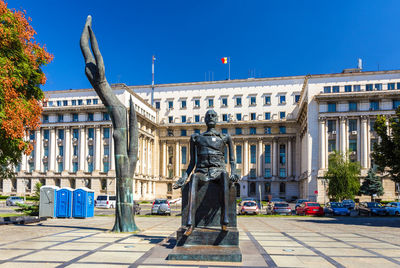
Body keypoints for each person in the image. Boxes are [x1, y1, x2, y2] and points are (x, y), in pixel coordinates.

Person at [173, 110, 240, 236]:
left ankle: (225, 220)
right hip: (202, 171)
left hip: (218, 171)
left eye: (213, 115)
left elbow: (232, 159)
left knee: (225, 176)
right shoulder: (196, 137)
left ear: (217, 119)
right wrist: (184, 177)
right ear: (204, 119)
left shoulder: (225, 137)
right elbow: (192, 162)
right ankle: (190, 223)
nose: (211, 117)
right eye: (208, 116)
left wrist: (234, 172)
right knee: (193, 178)